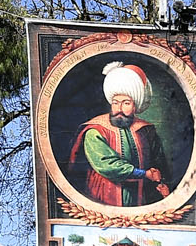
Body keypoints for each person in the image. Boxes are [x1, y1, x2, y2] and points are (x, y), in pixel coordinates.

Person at [68, 61, 170, 206]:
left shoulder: (146, 130)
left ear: (135, 105)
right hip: (103, 198)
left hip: (139, 199)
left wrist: (160, 182)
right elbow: (108, 165)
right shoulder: (95, 130)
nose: (119, 108)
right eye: (115, 102)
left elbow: (158, 162)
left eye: (126, 103)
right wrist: (144, 174)